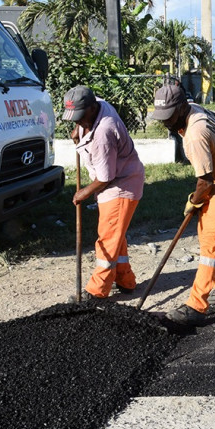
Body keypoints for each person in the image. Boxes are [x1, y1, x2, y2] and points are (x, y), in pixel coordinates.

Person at [149, 85, 215, 326]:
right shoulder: (193, 110)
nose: (166, 123)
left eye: (170, 117)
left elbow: (204, 181)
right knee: (208, 236)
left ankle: (197, 305)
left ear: (182, 107)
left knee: (210, 244)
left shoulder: (195, 134)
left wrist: (194, 202)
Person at [65, 85, 145, 300]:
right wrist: (79, 132)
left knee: (107, 239)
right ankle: (126, 280)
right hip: (116, 178)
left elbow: (105, 178)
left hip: (121, 184)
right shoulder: (97, 103)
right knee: (116, 235)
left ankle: (97, 290)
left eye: (81, 118)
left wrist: (82, 193)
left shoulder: (104, 132)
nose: (78, 122)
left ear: (92, 108)